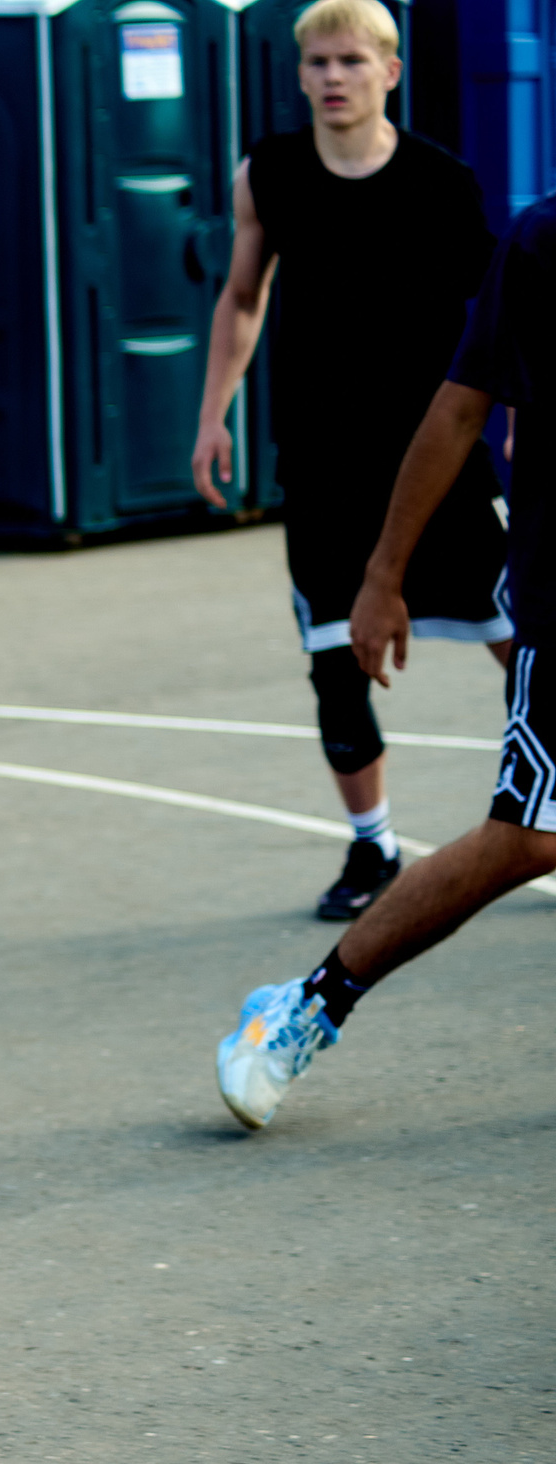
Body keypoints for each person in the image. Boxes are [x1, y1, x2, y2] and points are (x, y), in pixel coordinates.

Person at [216, 187, 554, 1131]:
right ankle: (304, 1006)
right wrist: (384, 573)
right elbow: (459, 414)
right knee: (531, 834)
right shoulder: (543, 238)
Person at [190, 0, 510, 921]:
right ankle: (372, 849)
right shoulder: (271, 174)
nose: (334, 77)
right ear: (299, 75)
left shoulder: (443, 184)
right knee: (335, 663)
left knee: (522, 646)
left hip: (435, 462)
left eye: (352, 62)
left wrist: (521, 415)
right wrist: (214, 414)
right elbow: (243, 297)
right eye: (319, 63)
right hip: (323, 465)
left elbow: (493, 318)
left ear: (390, 72)